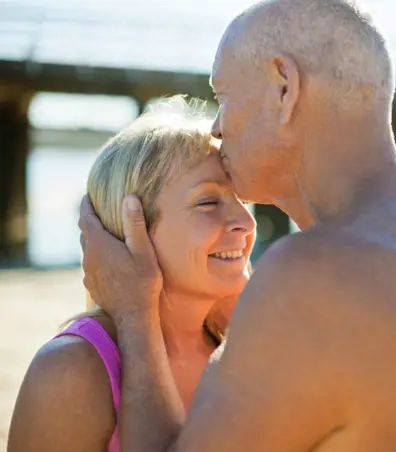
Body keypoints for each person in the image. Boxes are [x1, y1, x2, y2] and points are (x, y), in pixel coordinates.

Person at [78, 0, 396, 451]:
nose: (217, 127)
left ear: (284, 89)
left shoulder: (314, 272)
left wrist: (132, 313)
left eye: (223, 97)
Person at [8, 96, 256, 452]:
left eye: (242, 200)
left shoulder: (240, 349)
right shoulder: (72, 370)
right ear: (130, 230)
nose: (246, 223)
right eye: (208, 202)